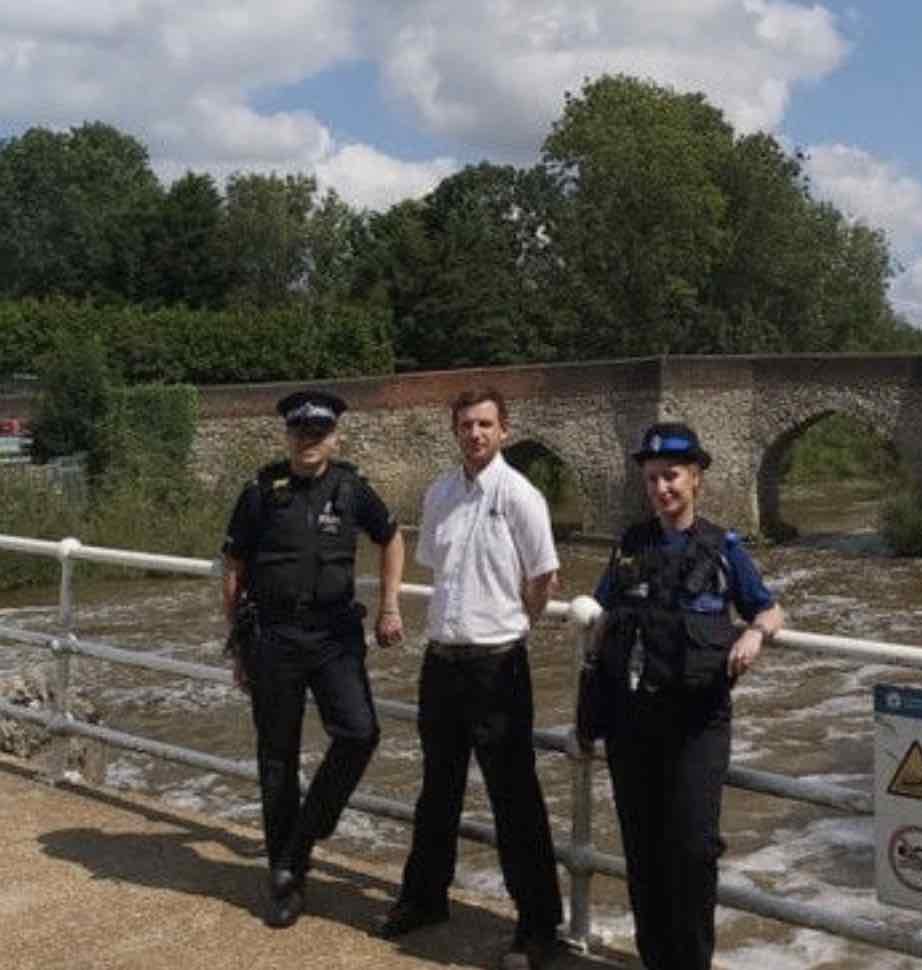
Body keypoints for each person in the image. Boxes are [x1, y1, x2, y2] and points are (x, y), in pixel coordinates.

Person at [585, 421, 783, 970]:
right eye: (651, 479)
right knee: (643, 855)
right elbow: (600, 611)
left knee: (693, 852)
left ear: (696, 479)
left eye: (670, 476)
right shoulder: (630, 546)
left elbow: (768, 606)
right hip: (633, 721)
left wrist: (753, 633)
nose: (660, 489)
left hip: (698, 722)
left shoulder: (724, 549)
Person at [380, 386, 564, 970]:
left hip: (496, 663)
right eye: (466, 425)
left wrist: (512, 625)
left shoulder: (521, 495)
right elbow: (439, 568)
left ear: (504, 429)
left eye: (485, 424)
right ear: (454, 430)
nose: (475, 434)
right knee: (438, 790)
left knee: (515, 799)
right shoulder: (440, 492)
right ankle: (426, 899)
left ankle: (537, 926)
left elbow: (544, 578)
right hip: (442, 660)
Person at [222, 389, 405, 928]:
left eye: (318, 433)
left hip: (334, 635)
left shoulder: (351, 488)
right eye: (300, 433)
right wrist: (237, 642)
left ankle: (302, 837)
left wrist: (390, 605)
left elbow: (392, 538)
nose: (308, 441)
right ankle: (287, 878)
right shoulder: (261, 491)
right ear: (288, 436)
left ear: (335, 437)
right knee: (277, 758)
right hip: (272, 636)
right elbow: (233, 566)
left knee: (359, 732)